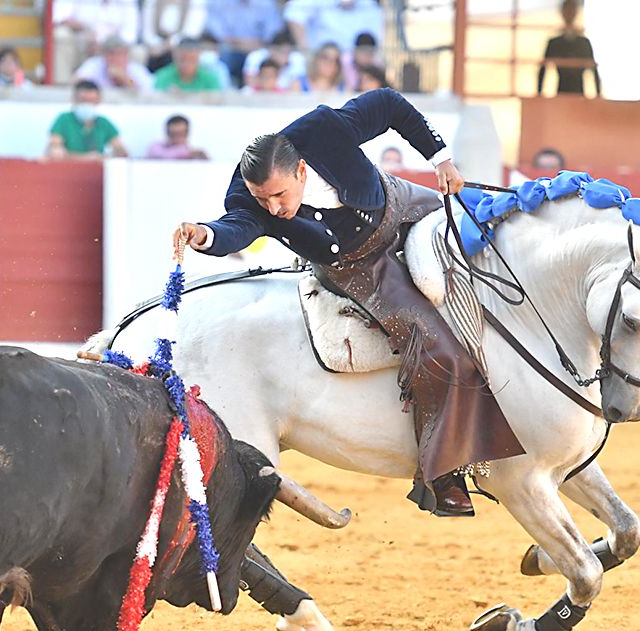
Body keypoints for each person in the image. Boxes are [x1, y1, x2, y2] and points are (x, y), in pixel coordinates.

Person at [171, 89, 525, 517]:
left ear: (301, 169)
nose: (274, 208)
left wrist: (441, 159)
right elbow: (239, 226)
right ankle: (443, 473)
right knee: (436, 348)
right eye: (263, 199)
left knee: (490, 233)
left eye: (280, 195)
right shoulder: (250, 197)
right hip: (359, 266)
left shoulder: (324, 129)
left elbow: (390, 105)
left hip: (401, 203)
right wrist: (206, 236)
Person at [203, 0, 283, 87]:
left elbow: (271, 33)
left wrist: (251, 44)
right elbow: (216, 31)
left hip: (257, 49)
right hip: (230, 48)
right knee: (220, 60)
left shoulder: (266, 3)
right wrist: (240, 43)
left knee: (260, 60)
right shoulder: (219, 2)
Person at [46, 80, 128, 159]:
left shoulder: (103, 123)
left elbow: (121, 151)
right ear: (74, 99)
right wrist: (86, 158)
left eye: (91, 101)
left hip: (96, 171)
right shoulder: (64, 120)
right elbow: (54, 151)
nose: (87, 104)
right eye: (83, 100)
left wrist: (108, 156)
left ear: (98, 101)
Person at [537, 0, 600, 97]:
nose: (569, 13)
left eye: (571, 9)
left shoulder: (582, 42)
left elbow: (594, 69)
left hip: (572, 94)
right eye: (567, 9)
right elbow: (543, 69)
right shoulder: (581, 42)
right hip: (570, 94)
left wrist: (598, 95)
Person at [283, 0, 384, 53]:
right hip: (321, 62)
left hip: (355, 67)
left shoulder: (369, 4)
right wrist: (305, 51)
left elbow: (374, 43)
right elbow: (293, 13)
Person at [73, 35, 154, 93]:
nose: (116, 58)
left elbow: (148, 93)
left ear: (126, 55)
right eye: (111, 53)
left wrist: (125, 79)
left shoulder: (137, 70)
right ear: (104, 55)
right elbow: (76, 82)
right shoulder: (94, 65)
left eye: (120, 54)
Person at [242, 30, 306, 90]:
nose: (284, 56)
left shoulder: (296, 60)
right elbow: (250, 83)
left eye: (287, 52)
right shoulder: (256, 57)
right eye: (281, 52)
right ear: (272, 50)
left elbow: (299, 87)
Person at [153, 37, 223, 92]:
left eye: (191, 59)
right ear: (175, 56)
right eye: (183, 59)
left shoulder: (211, 78)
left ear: (198, 58)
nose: (187, 64)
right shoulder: (162, 76)